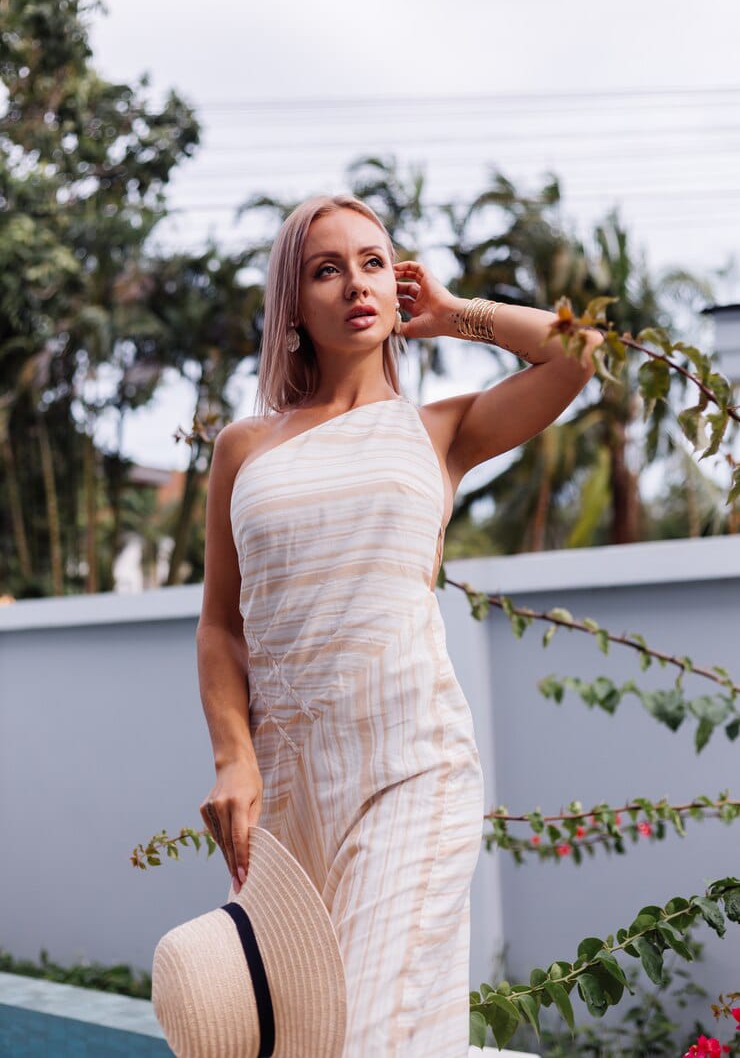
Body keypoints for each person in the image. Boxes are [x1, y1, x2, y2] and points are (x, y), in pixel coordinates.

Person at [195, 192, 603, 1055]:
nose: (355, 283)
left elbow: (578, 354)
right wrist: (233, 755)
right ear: (293, 306)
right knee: (309, 1033)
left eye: (373, 262)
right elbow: (221, 628)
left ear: (398, 284)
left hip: (414, 766)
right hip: (289, 789)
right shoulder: (245, 448)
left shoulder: (438, 432)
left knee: (374, 1028)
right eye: (326, 268)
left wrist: (458, 315)